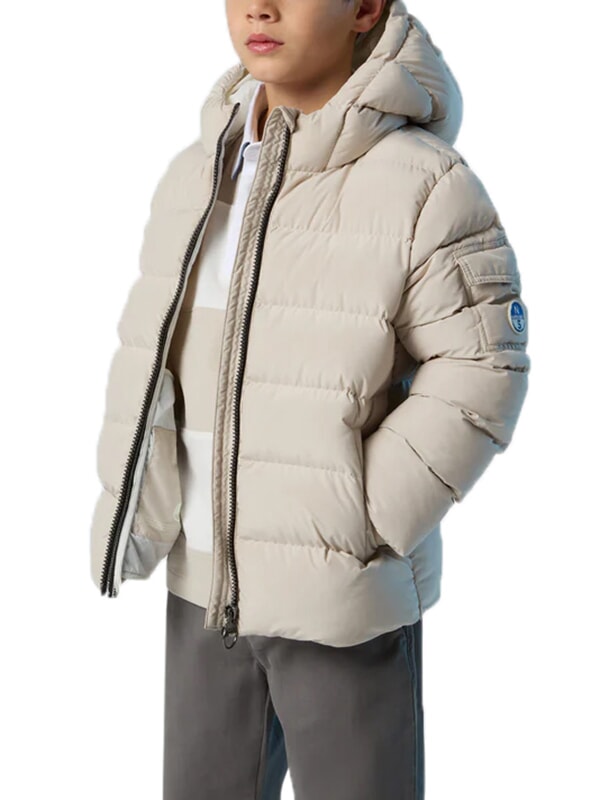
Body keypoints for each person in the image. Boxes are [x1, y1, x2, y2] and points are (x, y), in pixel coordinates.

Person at [89, 1, 530, 798]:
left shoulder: (423, 184)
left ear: (364, 8)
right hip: (206, 590)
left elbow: (482, 365)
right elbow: (155, 361)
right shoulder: (198, 174)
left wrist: (365, 514)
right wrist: (141, 511)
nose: (260, 7)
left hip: (341, 606)